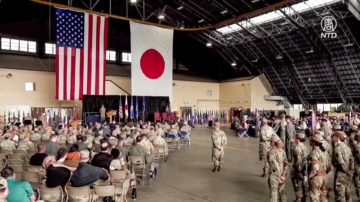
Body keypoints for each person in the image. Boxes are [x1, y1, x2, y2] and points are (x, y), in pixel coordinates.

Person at [332, 131, 354, 202]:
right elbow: (351, 160)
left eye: (335, 136)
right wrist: (351, 171)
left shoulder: (337, 149)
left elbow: (340, 162)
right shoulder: (347, 147)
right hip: (348, 174)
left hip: (341, 173)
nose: (333, 137)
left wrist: (346, 171)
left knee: (340, 195)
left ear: (338, 138)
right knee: (348, 193)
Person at [308, 134, 330, 202]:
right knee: (323, 196)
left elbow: (315, 167)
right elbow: (329, 166)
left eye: (311, 141)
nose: (310, 142)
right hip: (324, 176)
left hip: (316, 177)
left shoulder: (314, 153)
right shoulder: (325, 152)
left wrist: (310, 177)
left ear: (314, 142)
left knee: (315, 196)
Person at [267, 136, 288, 202]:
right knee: (282, 192)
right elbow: (286, 164)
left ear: (273, 143)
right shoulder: (282, 151)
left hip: (274, 175)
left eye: (270, 142)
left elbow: (274, 164)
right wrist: (283, 175)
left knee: (274, 192)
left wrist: (278, 176)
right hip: (282, 174)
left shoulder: (271, 152)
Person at [291, 133, 309, 202]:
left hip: (299, 169)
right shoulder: (306, 147)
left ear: (298, 139)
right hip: (305, 168)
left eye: (296, 138)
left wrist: (298, 171)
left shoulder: (297, 148)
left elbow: (298, 160)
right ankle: (305, 198)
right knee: (305, 184)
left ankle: (298, 198)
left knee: (297, 184)